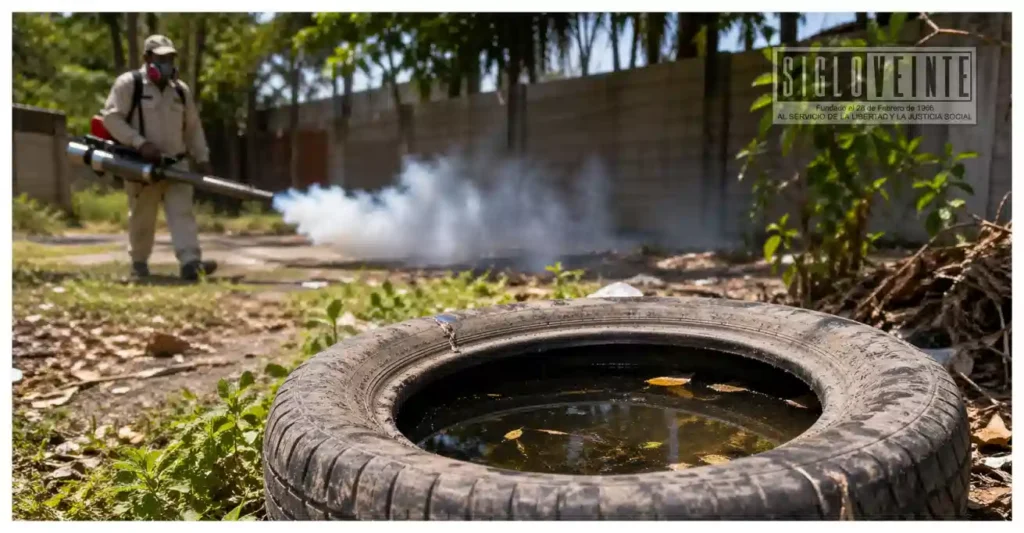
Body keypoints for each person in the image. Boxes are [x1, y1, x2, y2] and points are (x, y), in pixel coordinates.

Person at [101, 34, 217, 281]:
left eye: (170, 58)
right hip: (141, 165)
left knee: (182, 213)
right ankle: (139, 264)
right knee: (143, 216)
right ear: (147, 58)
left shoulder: (180, 91)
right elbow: (111, 118)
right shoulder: (129, 84)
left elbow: (193, 127)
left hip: (177, 163)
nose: (166, 63)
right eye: (161, 58)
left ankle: (190, 263)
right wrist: (139, 143)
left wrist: (202, 156)